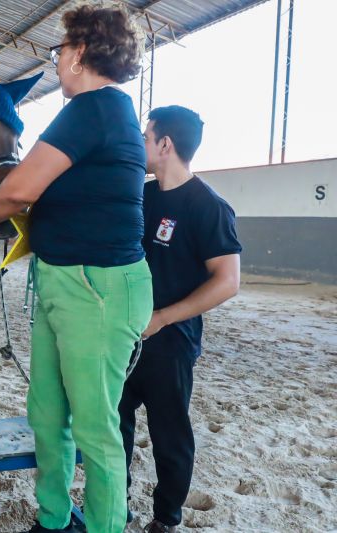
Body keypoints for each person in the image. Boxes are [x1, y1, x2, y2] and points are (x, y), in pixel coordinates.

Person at [0, 5, 152, 533]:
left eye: (59, 52)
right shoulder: (101, 112)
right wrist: (4, 202)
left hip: (96, 286)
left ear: (78, 54)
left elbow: (23, 188)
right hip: (60, 277)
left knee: (95, 429)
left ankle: (103, 526)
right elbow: (38, 192)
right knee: (47, 414)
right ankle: (54, 519)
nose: (57, 63)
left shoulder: (92, 107)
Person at [119, 106, 241, 533]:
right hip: (124, 336)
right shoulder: (141, 194)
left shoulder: (208, 206)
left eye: (145, 135)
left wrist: (164, 317)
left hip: (171, 343)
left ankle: (166, 517)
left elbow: (227, 281)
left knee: (170, 434)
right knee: (115, 421)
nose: (141, 141)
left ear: (165, 144)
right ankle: (118, 503)